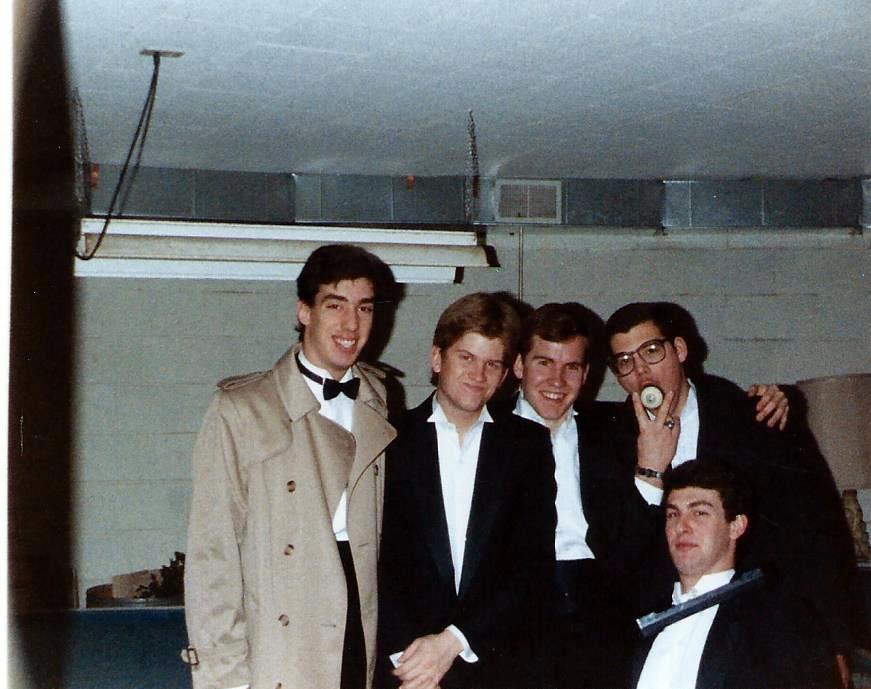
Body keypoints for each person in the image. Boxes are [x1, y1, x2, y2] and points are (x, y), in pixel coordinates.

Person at [510, 302, 791, 689]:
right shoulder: (490, 433)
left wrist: (782, 394)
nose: (557, 380)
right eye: (544, 363)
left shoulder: (611, 432)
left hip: (600, 615)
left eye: (571, 367)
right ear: (519, 367)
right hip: (512, 616)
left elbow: (632, 539)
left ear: (587, 375)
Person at [606, 301, 857, 685]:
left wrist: (835, 640)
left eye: (651, 352)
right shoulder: (606, 438)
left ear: (680, 350)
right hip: (657, 637)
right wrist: (649, 472)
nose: (640, 371)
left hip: (753, 635)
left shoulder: (753, 414)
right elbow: (615, 553)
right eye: (624, 362)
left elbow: (815, 533)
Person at [183, 244, 398, 689]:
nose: (351, 325)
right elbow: (213, 556)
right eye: (334, 306)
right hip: (283, 632)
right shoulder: (242, 408)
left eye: (364, 308)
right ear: (304, 312)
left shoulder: (378, 397)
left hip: (356, 619)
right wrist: (225, 678)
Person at [377, 292, 557, 689]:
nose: (479, 374)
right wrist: (412, 665)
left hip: (496, 664)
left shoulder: (527, 446)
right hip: (405, 670)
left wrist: (454, 640)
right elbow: (375, 561)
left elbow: (533, 567)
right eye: (467, 358)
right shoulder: (389, 439)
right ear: (437, 358)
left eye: (493, 363)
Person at [632, 459, 840, 689]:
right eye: (673, 515)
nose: (682, 526)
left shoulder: (779, 620)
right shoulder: (642, 622)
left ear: (736, 526)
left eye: (700, 513)